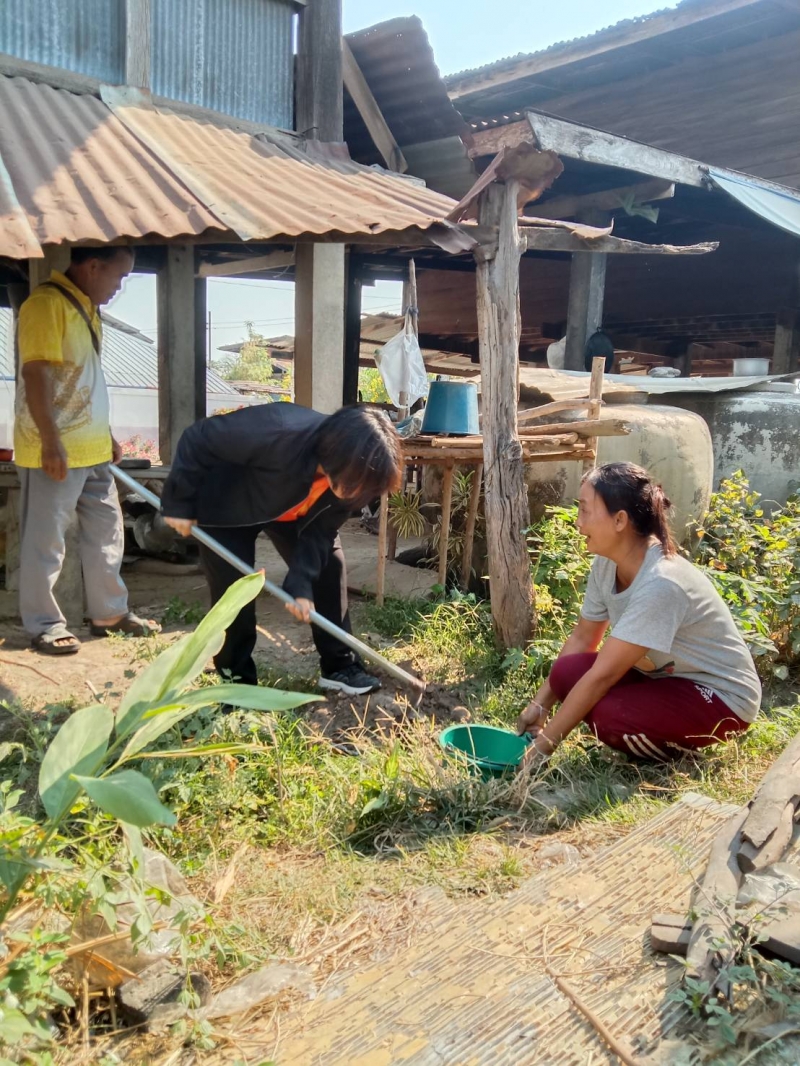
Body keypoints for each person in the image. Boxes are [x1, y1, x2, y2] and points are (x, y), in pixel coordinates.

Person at [516, 462, 761, 767]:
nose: (578, 522)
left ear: (620, 520)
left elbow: (603, 676)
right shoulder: (607, 563)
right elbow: (582, 638)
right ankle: (647, 725)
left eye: (585, 510)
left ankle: (678, 756)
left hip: (719, 697)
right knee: (566, 672)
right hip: (664, 680)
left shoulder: (662, 582)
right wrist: (539, 706)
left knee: (611, 718)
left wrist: (542, 749)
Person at [160, 403, 403, 695]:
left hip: (289, 509)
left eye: (365, 487)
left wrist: (301, 583)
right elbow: (197, 438)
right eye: (354, 482)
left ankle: (340, 666)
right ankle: (237, 685)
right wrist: (179, 501)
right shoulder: (277, 431)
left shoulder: (357, 482)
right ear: (336, 452)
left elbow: (321, 532)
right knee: (235, 591)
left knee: (329, 566)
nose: (356, 493)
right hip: (226, 503)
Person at [15, 246, 160, 655]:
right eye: (119, 276)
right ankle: (45, 624)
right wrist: (50, 441)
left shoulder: (85, 307)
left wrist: (107, 434)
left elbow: (85, 378)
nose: (119, 287)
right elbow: (35, 372)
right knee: (46, 540)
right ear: (93, 266)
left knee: (108, 532)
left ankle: (109, 613)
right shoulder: (45, 304)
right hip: (55, 448)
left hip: (92, 448)